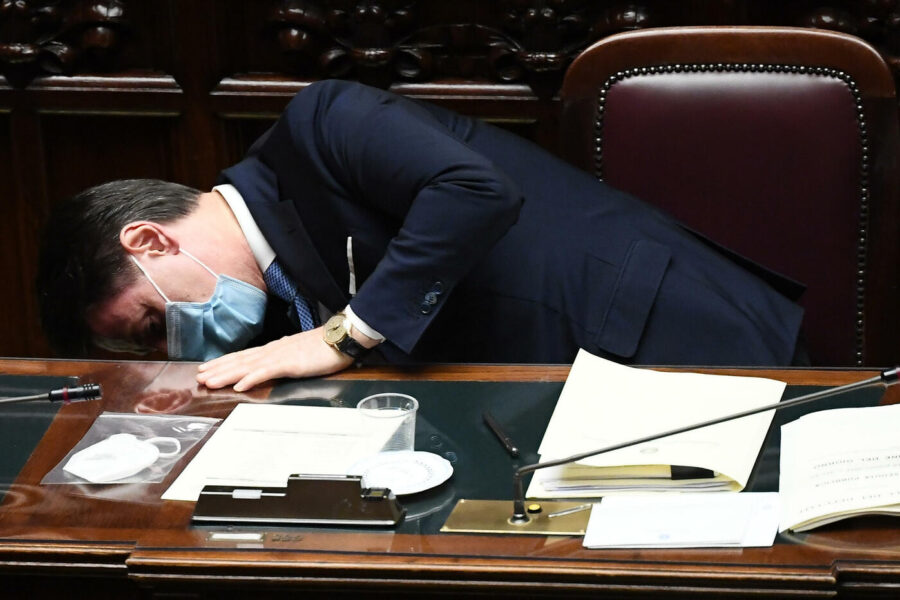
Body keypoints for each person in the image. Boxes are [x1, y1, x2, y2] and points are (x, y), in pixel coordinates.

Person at [36, 79, 805, 392]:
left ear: (151, 242)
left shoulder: (320, 125)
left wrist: (345, 335)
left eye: (149, 322)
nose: (173, 346)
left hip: (676, 346)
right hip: (548, 407)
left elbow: (472, 193)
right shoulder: (271, 309)